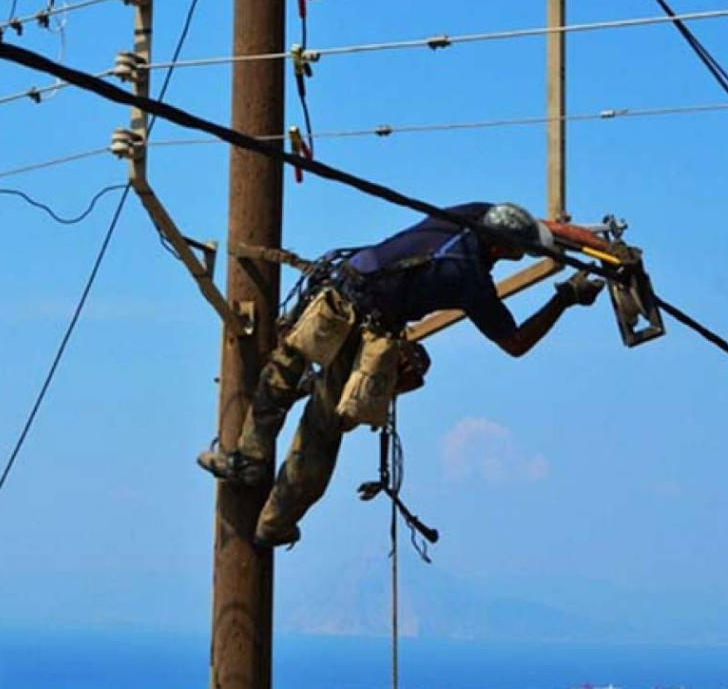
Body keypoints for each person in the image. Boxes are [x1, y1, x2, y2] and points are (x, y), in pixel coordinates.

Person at [197, 202, 605, 548]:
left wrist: (593, 244)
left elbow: (543, 227)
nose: (509, 260)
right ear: (500, 245)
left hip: (342, 297)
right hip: (363, 322)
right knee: (320, 427)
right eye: (512, 253)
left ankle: (252, 462)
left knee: (281, 376)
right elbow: (515, 342)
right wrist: (565, 297)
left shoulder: (474, 213)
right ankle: (272, 520)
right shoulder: (471, 282)